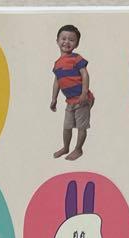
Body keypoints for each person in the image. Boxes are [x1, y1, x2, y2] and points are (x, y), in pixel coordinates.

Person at [50, 24, 94, 160]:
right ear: (57, 41)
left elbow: (85, 74)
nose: (66, 42)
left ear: (77, 44)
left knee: (81, 127)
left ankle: (78, 149)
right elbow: (57, 81)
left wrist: (84, 93)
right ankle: (66, 147)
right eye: (63, 38)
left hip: (82, 99)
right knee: (67, 126)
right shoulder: (57, 64)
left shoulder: (77, 58)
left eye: (71, 39)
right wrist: (54, 98)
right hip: (70, 101)